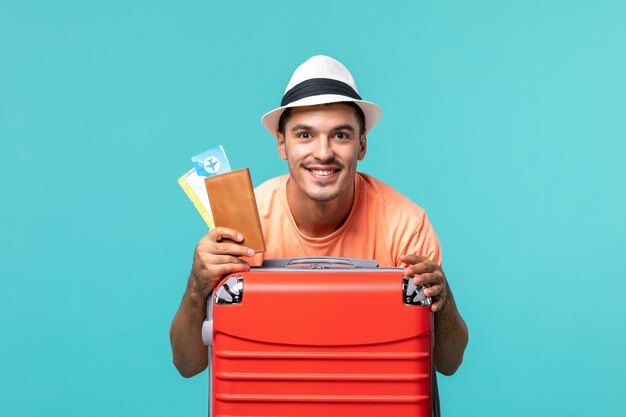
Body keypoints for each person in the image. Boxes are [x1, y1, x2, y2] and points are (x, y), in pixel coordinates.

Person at [170, 55, 468, 378]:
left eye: (340, 135)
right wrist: (197, 288)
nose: (323, 152)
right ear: (282, 144)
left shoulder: (405, 226)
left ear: (362, 145)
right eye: (305, 135)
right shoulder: (244, 223)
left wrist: (443, 300)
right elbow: (187, 364)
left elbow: (448, 363)